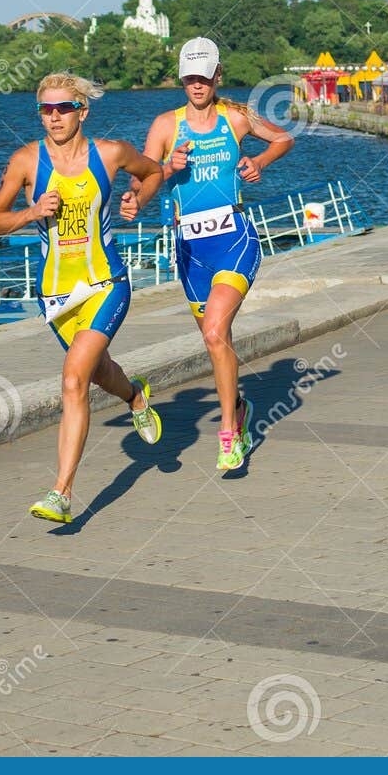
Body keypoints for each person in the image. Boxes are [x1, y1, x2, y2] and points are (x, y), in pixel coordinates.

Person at [0, 73, 165, 525]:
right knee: (97, 371)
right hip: (56, 295)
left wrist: (137, 201)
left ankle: (61, 493)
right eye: (46, 109)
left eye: (63, 108)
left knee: (72, 380)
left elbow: (154, 171)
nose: (54, 117)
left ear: (82, 111)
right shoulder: (26, 161)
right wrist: (31, 212)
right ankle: (136, 396)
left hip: (106, 282)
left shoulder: (111, 153)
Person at [123, 37, 294, 471]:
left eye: (205, 77)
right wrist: (164, 170)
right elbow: (144, 181)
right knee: (215, 341)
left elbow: (282, 138)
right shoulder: (165, 126)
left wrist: (261, 162)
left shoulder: (235, 117)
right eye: (190, 78)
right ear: (182, 79)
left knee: (216, 333)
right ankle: (238, 407)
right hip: (189, 248)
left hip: (234, 238)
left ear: (218, 77)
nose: (197, 85)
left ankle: (229, 435)